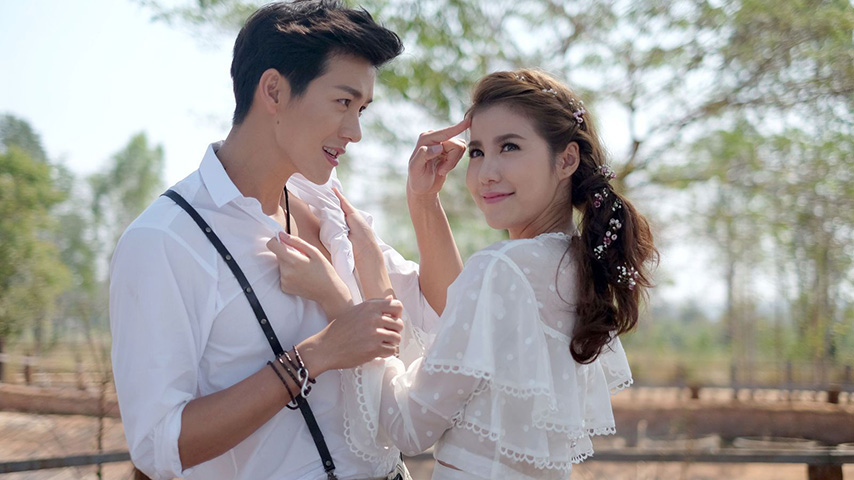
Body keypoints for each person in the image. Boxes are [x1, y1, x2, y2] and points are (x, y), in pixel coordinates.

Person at [109, 2, 444, 479]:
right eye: (343, 103)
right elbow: (159, 446)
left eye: (362, 109)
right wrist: (316, 356)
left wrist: (424, 201)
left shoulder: (328, 209)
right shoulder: (165, 240)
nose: (355, 132)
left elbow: (438, 308)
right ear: (274, 90)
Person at [279, 69, 658, 479]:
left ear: (566, 159)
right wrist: (423, 198)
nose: (486, 172)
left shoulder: (503, 268)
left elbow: (408, 428)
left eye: (509, 147)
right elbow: (453, 327)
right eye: (476, 152)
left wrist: (344, 301)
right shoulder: (574, 266)